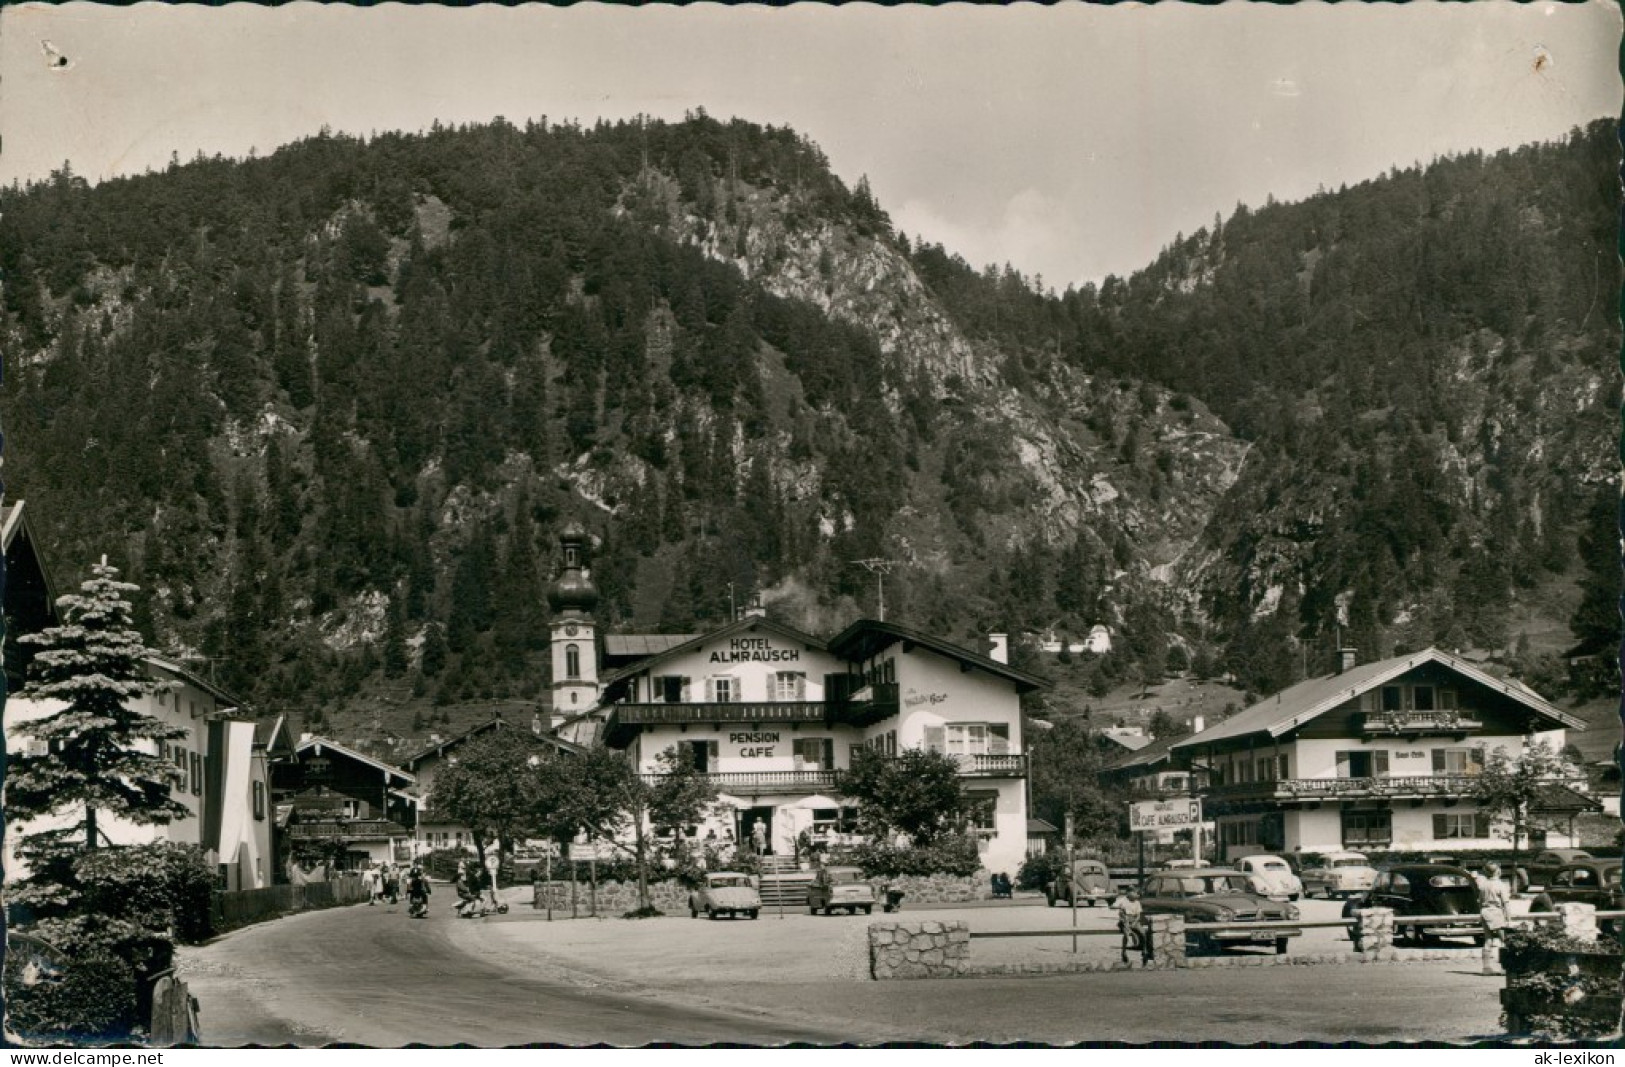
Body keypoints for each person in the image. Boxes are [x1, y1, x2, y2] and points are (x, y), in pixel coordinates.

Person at [1476, 861, 1512, 969]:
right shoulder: (1501, 885)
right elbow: (1506, 904)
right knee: (1505, 940)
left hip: (1485, 912)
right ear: (1498, 871)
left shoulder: (1483, 885)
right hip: (1496, 912)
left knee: (1488, 940)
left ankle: (1486, 967)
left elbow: (1480, 901)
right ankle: (1505, 967)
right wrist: (1509, 919)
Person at [1114, 886, 1147, 965]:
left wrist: (1135, 922)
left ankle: (1144, 950)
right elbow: (1113, 906)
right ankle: (1124, 952)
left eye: (1136, 893)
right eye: (1133, 892)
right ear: (1128, 893)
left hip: (1134, 920)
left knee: (1143, 933)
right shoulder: (1123, 900)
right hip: (1125, 919)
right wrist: (1120, 907)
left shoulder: (1137, 902)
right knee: (1126, 934)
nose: (1135, 895)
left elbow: (1138, 915)